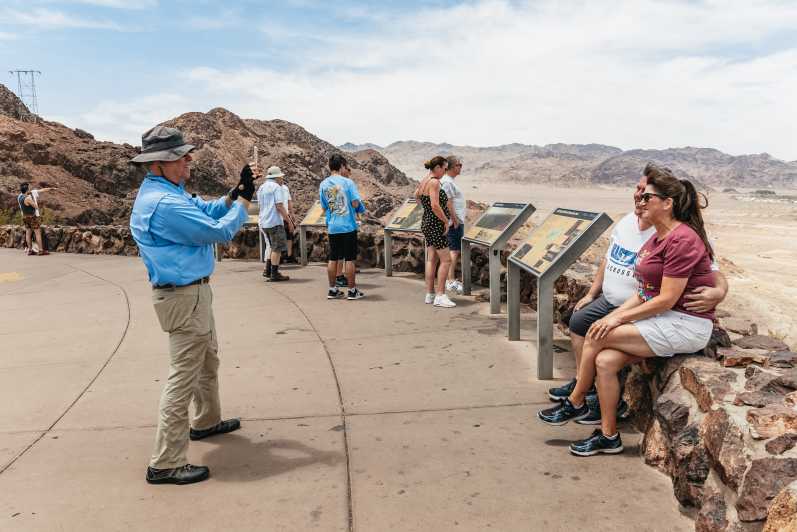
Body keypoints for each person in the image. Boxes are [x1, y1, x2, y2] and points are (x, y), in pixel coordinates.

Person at [538, 167, 719, 457]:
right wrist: (615, 314)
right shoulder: (657, 237)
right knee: (607, 361)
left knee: (597, 336)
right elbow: (645, 291)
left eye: (647, 197)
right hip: (662, 319)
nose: (641, 201)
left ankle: (576, 400)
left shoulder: (682, 239)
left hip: (685, 324)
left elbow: (667, 299)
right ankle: (609, 436)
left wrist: (617, 318)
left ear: (667, 203)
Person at [129, 125, 257, 485]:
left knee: (207, 360)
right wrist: (245, 201)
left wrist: (235, 193)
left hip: (193, 294)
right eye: (181, 156)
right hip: (183, 297)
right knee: (183, 375)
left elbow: (207, 209)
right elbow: (217, 230)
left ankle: (205, 422)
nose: (189, 160)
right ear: (161, 162)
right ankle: (166, 462)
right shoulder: (164, 204)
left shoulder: (170, 192)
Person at [320, 154, 365, 300]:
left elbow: (324, 206)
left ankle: (332, 290)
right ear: (341, 166)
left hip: (333, 226)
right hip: (348, 226)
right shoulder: (348, 182)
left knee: (333, 258)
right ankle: (352, 291)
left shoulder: (323, 184)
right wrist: (359, 209)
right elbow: (355, 203)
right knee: (349, 259)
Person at [416, 156, 456, 308]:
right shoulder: (434, 182)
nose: (445, 172)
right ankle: (440, 295)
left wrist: (425, 209)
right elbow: (434, 205)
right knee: (446, 260)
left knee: (431, 259)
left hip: (427, 223)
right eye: (445, 169)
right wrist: (446, 220)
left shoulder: (425, 180)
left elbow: (416, 195)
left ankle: (430, 294)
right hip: (435, 225)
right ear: (438, 167)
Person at [258, 166, 294, 282]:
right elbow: (279, 206)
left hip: (264, 222)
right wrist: (288, 220)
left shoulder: (262, 188)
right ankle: (274, 273)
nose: (281, 179)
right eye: (280, 177)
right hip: (274, 221)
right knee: (277, 249)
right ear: (277, 177)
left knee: (271, 246)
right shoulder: (276, 187)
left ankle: (268, 271)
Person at [441, 155, 465, 294]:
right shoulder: (448, 182)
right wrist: (455, 220)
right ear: (450, 167)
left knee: (453, 250)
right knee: (453, 251)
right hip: (453, 223)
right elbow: (448, 202)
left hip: (454, 221)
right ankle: (450, 281)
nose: (460, 167)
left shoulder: (449, 181)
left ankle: (449, 279)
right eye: (458, 165)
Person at [17, 182, 51, 256]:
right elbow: (35, 206)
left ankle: (30, 250)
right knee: (37, 233)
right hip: (32, 217)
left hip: (25, 217)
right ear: (27, 189)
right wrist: (33, 200)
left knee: (28, 233)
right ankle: (41, 250)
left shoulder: (19, 197)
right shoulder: (28, 198)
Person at [279, 173, 298, 264]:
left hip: (286, 215)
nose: (282, 178)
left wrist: (292, 213)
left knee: (289, 234)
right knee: (280, 236)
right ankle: (280, 256)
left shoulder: (285, 188)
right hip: (278, 216)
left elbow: (289, 201)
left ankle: (289, 255)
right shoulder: (275, 188)